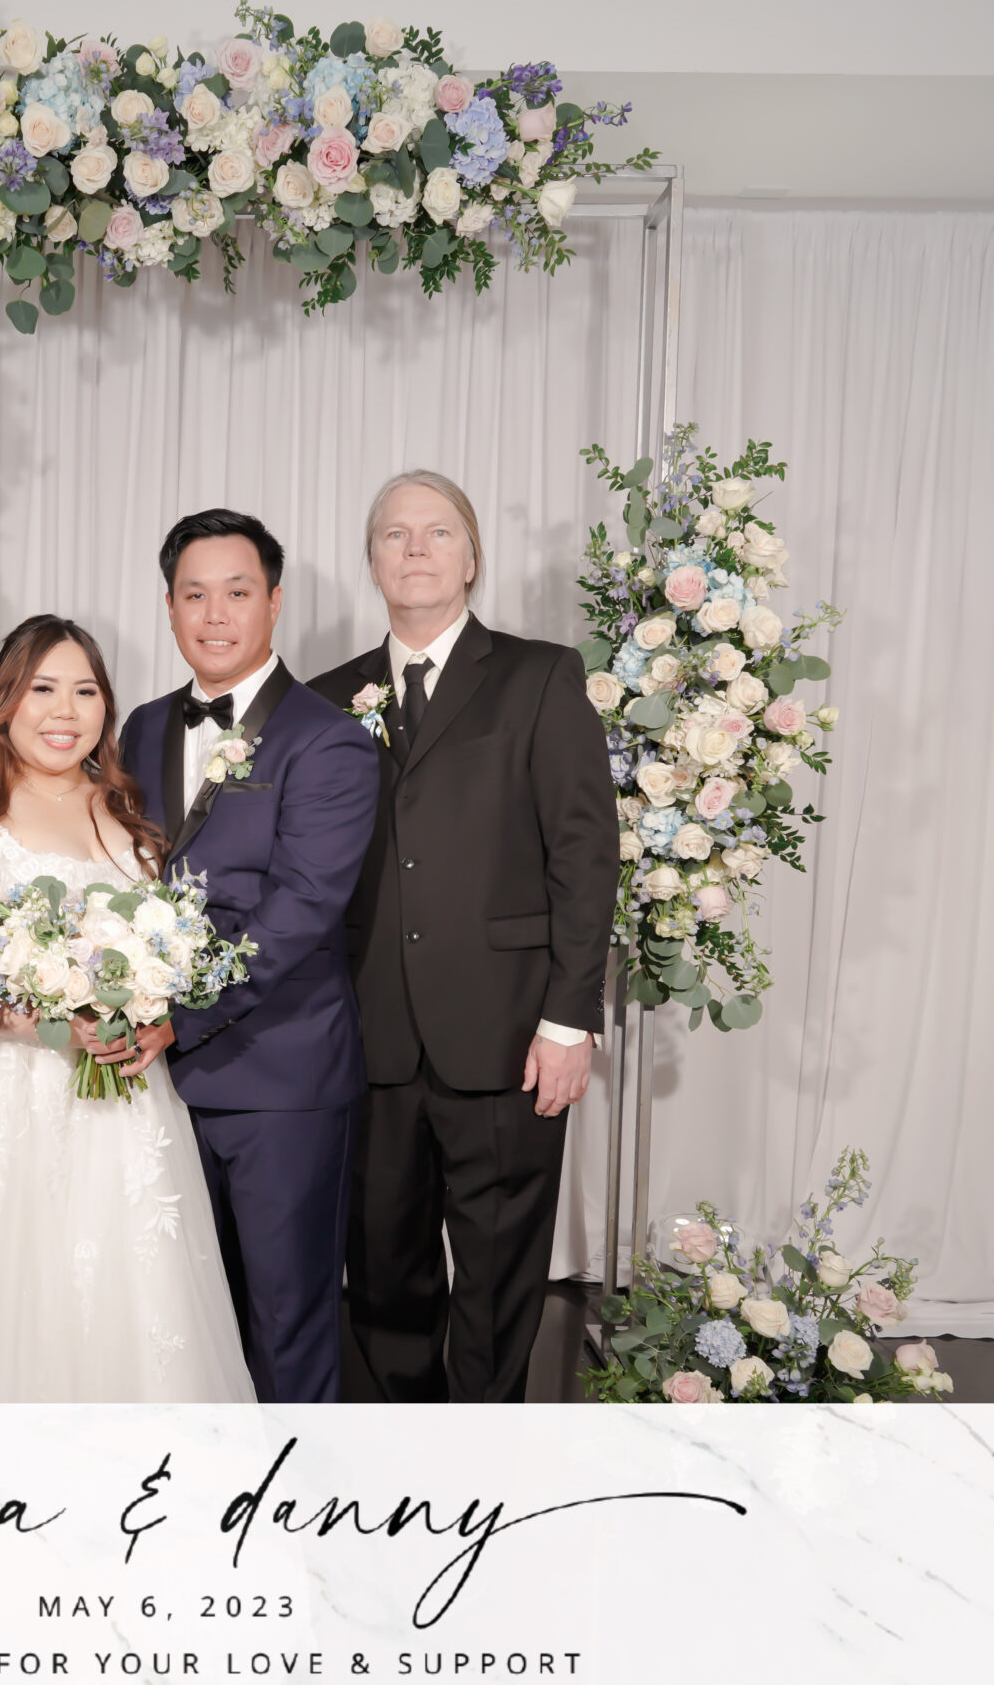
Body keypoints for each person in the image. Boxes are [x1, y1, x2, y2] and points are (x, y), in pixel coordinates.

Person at [0, 615, 254, 1402]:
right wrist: (52, 1024)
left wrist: (145, 1003)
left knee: (125, 1307)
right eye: (42, 689)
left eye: (85, 691)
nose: (64, 711)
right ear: (5, 698)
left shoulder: (124, 809)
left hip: (122, 1108)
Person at [307, 471, 620, 1404]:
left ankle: (484, 1454)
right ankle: (408, 1448)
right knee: (382, 1271)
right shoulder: (325, 699)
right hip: (370, 1035)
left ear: (472, 557)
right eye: (395, 534)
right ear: (372, 561)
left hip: (510, 1034)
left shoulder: (540, 676)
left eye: (437, 532)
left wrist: (570, 1018)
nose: (415, 548)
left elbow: (584, 853)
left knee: (497, 1278)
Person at [118, 510, 381, 1403]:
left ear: (274, 601)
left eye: (237, 592)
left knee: (284, 1321)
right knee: (180, 1320)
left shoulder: (328, 737)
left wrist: (177, 1014)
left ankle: (291, 1486)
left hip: (281, 1076)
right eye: (195, 594)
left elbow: (300, 908)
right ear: (169, 606)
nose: (215, 614)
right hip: (156, 1083)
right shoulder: (140, 726)